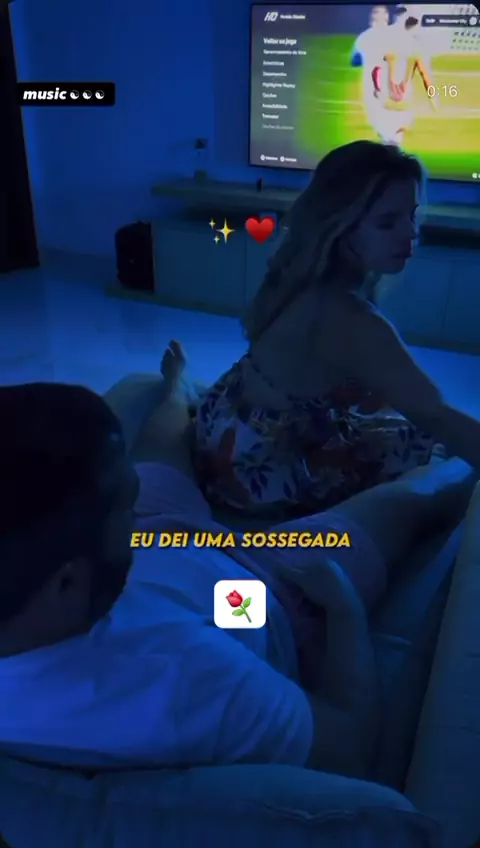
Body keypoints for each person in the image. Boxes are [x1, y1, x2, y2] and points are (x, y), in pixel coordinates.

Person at [0, 349, 476, 779]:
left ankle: (177, 390)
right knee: (414, 498)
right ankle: (464, 462)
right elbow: (347, 748)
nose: (130, 504)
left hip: (160, 548)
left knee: (159, 452)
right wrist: (343, 607)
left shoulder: (39, 598)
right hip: (253, 595)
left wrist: (133, 517)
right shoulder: (180, 678)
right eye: (123, 507)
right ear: (67, 583)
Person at [193, 140, 480, 519]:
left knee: (403, 427)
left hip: (224, 427)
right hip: (255, 469)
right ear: (340, 226)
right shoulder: (352, 319)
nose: (411, 233)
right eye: (387, 222)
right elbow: (436, 414)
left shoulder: (304, 274)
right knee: (438, 454)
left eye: (411, 216)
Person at [353, 5, 437, 145]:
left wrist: (377, 88)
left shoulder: (389, 43)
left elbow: (376, 69)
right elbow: (425, 76)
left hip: (389, 100)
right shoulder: (413, 46)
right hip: (403, 102)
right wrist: (433, 99)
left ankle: (390, 144)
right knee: (394, 139)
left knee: (388, 136)